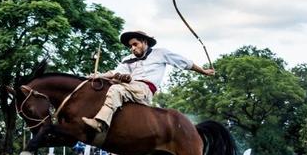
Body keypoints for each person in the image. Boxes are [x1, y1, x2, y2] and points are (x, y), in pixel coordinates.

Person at [82, 30, 215, 132]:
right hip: (129, 87)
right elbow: (115, 72)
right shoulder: (127, 58)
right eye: (130, 46)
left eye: (135, 44)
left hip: (144, 89)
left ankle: (100, 123)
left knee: (116, 89)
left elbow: (185, 63)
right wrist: (98, 76)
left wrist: (203, 71)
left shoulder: (160, 53)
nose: (132, 48)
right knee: (106, 85)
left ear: (145, 42)